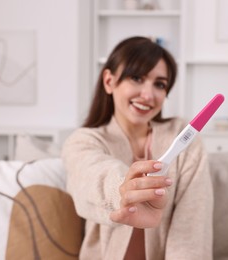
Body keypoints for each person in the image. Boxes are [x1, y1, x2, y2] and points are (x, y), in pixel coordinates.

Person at [62, 36, 213, 260]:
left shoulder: (185, 140)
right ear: (109, 81)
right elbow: (92, 175)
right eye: (136, 78)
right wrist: (124, 190)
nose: (148, 95)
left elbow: (191, 231)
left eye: (160, 84)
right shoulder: (83, 141)